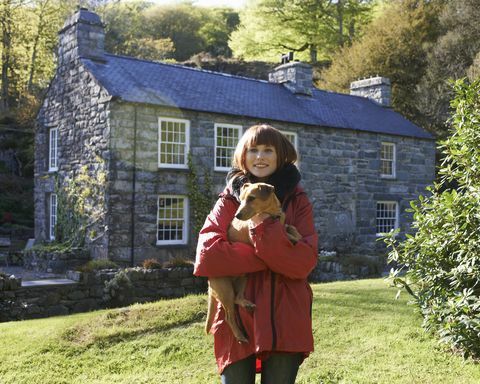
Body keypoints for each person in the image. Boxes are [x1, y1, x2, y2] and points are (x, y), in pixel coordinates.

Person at [194, 124, 318, 384]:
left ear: (281, 155)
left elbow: (302, 263)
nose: (260, 157)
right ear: (243, 155)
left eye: (268, 150)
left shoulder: (298, 200)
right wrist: (270, 256)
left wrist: (261, 231)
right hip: (237, 319)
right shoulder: (229, 200)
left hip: (287, 319)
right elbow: (207, 256)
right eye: (253, 150)